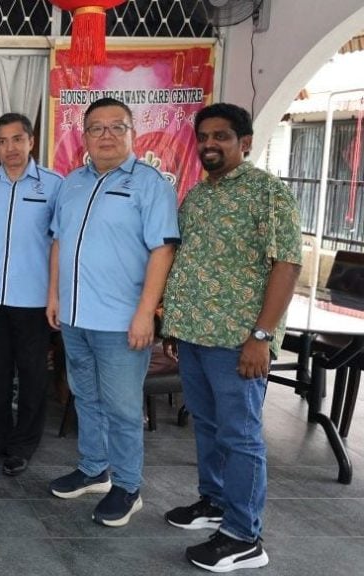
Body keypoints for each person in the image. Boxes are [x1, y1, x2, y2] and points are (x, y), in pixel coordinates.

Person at [162, 103, 300, 572]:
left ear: (245, 142)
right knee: (207, 425)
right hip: (193, 334)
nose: (209, 144)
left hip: (238, 340)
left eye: (220, 136)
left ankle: (244, 535)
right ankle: (215, 502)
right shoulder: (198, 195)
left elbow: (287, 265)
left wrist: (261, 336)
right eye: (203, 137)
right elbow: (188, 260)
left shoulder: (267, 193)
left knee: (240, 437)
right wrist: (175, 324)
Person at [46, 97, 179, 527]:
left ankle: (127, 486)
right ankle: (93, 469)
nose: (106, 135)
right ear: (84, 135)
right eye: (96, 128)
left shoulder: (150, 184)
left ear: (131, 133)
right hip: (74, 317)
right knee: (85, 396)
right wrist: (54, 295)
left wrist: (146, 313)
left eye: (116, 127)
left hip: (122, 321)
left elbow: (163, 250)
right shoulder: (72, 183)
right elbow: (60, 242)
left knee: (122, 408)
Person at [0, 112, 63, 477]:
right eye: (3, 141)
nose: (11, 148)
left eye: (17, 139)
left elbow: (61, 244)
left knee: (32, 376)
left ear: (31, 141)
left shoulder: (54, 186)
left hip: (35, 301)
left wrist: (55, 296)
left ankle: (23, 445)